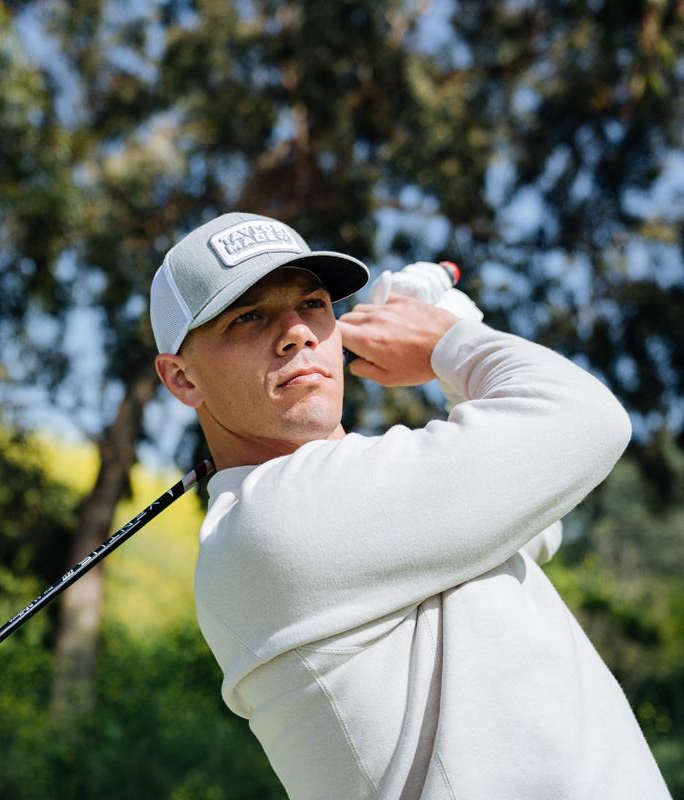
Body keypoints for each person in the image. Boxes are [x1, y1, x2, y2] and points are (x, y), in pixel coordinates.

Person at [149, 211, 670, 799]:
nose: (297, 332)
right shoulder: (274, 521)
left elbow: (535, 523)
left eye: (314, 304)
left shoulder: (349, 497)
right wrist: (448, 341)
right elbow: (586, 420)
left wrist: (456, 349)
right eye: (248, 316)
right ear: (182, 378)